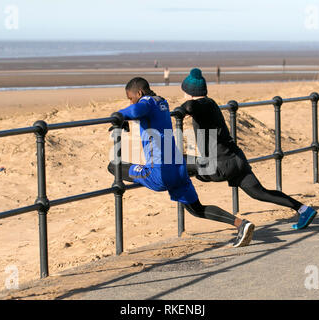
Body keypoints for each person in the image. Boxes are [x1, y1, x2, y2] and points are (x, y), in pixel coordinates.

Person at [107, 77, 255, 247]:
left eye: (130, 98)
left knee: (113, 166)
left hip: (159, 173)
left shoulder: (146, 102)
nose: (130, 101)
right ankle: (241, 224)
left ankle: (122, 189)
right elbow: (141, 112)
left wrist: (119, 116)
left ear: (139, 93)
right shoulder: (162, 102)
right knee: (196, 209)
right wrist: (126, 119)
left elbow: (135, 110)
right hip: (178, 167)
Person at [179, 68, 317, 230]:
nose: (183, 96)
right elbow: (195, 107)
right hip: (237, 160)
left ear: (190, 93)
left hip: (219, 166)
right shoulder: (210, 106)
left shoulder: (203, 104)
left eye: (184, 93)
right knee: (260, 193)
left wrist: (181, 111)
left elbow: (190, 105)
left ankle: (184, 194)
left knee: (176, 161)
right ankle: (303, 209)